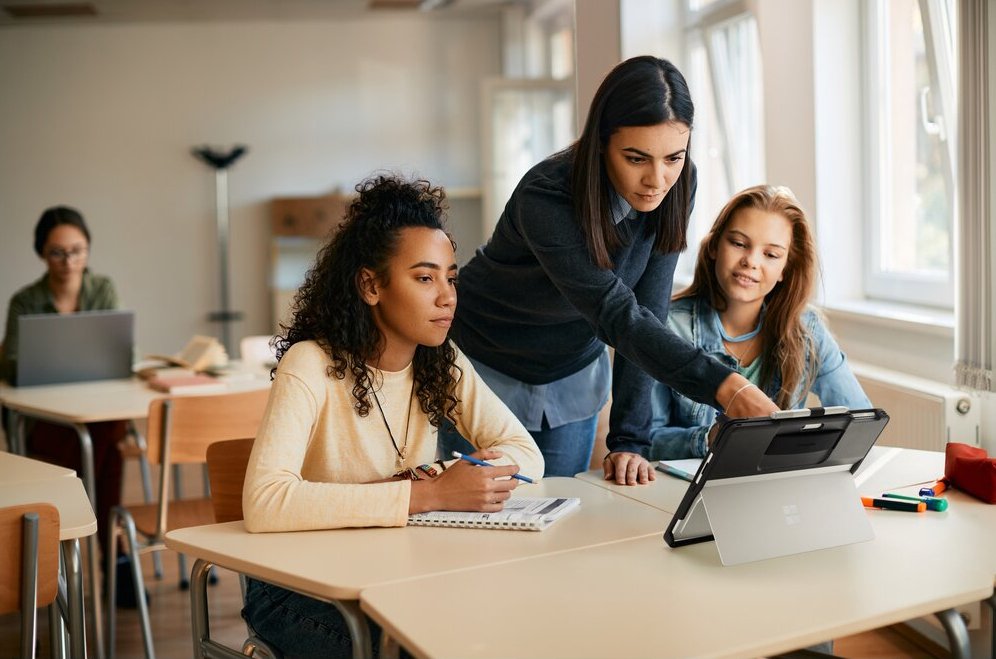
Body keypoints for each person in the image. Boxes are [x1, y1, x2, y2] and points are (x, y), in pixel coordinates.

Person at [241, 174, 544, 658]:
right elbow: (265, 502)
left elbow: (526, 454)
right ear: (370, 285)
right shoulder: (310, 364)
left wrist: (442, 479)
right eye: (425, 278)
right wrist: (429, 493)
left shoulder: (441, 360)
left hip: (397, 574)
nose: (447, 296)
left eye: (450, 277)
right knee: (424, 647)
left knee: (507, 622)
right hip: (298, 589)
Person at [440, 55, 778, 484]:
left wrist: (628, 441)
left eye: (673, 157)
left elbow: (647, 310)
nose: (657, 179)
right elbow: (614, 312)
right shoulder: (546, 196)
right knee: (478, 529)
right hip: (484, 366)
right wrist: (726, 386)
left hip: (571, 374)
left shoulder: (678, 183)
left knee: (557, 527)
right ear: (601, 143)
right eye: (636, 159)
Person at [648, 185, 871, 460]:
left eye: (771, 255)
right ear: (715, 246)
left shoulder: (807, 330)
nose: (751, 261)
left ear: (784, 270)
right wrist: (711, 438)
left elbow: (860, 420)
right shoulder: (666, 326)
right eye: (739, 243)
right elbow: (644, 441)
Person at [0, 205, 138, 605]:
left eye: (77, 250)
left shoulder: (103, 288)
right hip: (46, 418)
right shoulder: (25, 300)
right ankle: (115, 555)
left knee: (103, 434)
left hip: (95, 410)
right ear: (42, 253)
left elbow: (121, 349)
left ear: (88, 250)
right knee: (106, 444)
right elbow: (9, 364)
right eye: (58, 252)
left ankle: (76, 540)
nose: (69, 261)